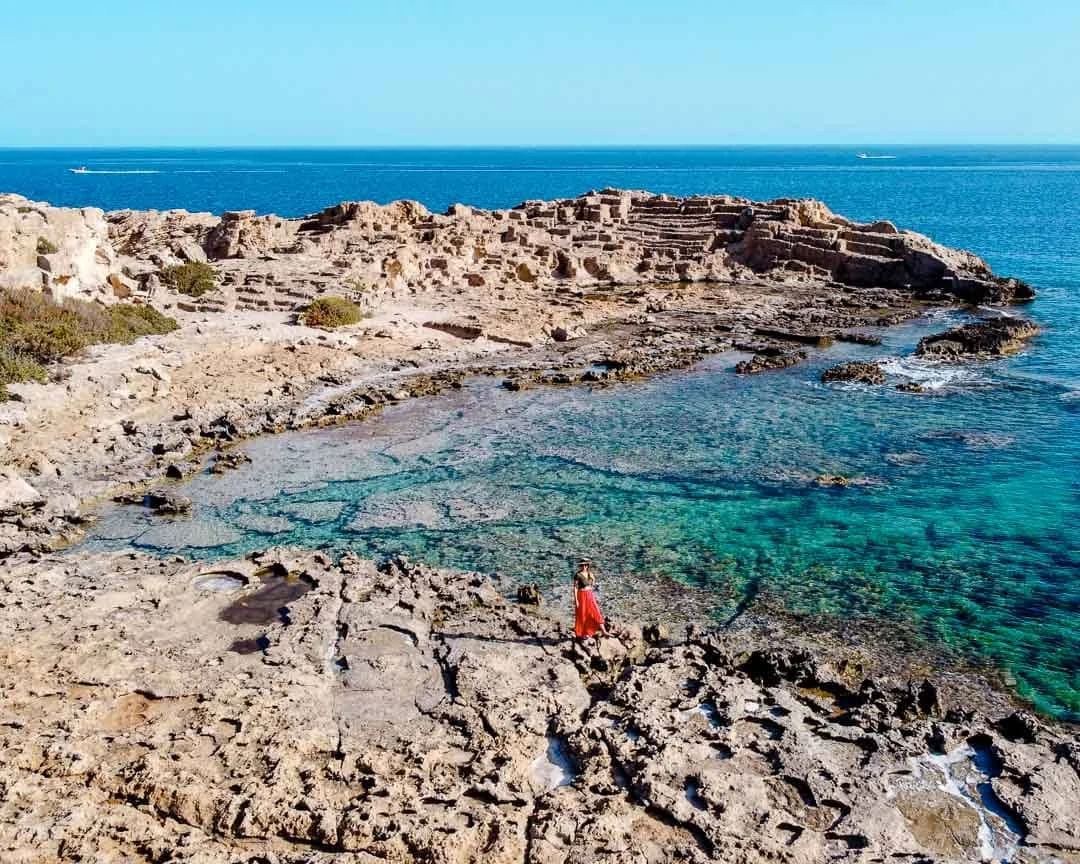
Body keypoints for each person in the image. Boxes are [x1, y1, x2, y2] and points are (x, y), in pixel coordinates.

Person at [573, 559, 609, 639]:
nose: (584, 567)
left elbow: (593, 582)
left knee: (596, 611)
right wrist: (576, 600)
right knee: (583, 614)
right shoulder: (577, 575)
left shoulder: (590, 574)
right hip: (581, 595)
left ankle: (604, 631)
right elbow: (575, 588)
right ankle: (584, 633)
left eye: (585, 565)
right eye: (582, 565)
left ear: (587, 566)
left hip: (589, 594)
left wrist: (592, 580)